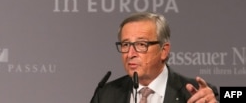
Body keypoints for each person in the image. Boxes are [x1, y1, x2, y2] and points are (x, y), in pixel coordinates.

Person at [91, 12, 219, 103]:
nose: (130, 54)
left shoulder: (196, 94)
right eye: (125, 45)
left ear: (164, 50)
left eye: (141, 44)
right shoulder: (105, 95)